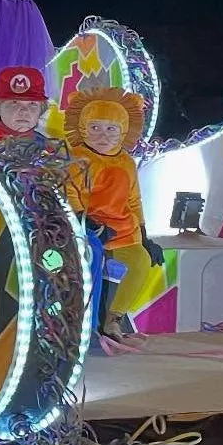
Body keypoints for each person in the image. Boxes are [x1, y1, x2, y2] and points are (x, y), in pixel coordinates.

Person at [63, 87, 162, 341]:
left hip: (122, 232)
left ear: (123, 130)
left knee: (140, 262)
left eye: (111, 129)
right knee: (89, 264)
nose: (103, 136)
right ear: (83, 126)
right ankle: (83, 325)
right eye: (95, 127)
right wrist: (87, 225)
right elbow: (71, 197)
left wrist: (145, 237)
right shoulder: (76, 157)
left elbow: (134, 201)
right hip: (88, 231)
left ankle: (114, 320)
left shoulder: (127, 161)